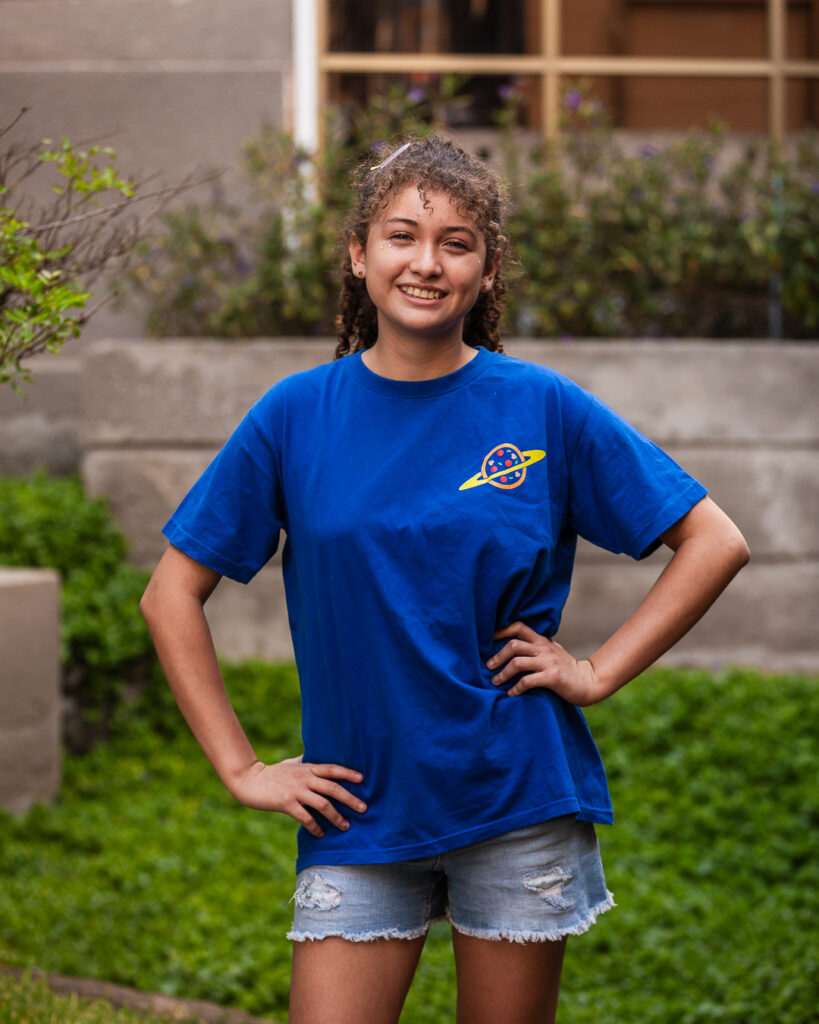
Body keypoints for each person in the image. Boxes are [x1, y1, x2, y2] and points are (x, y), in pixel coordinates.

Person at [140, 134, 750, 1024]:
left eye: (455, 243)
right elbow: (169, 594)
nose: (425, 263)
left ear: (486, 269)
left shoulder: (539, 406)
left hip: (513, 795)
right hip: (356, 810)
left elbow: (713, 541)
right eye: (401, 236)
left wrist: (594, 672)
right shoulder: (294, 415)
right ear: (359, 255)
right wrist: (241, 768)